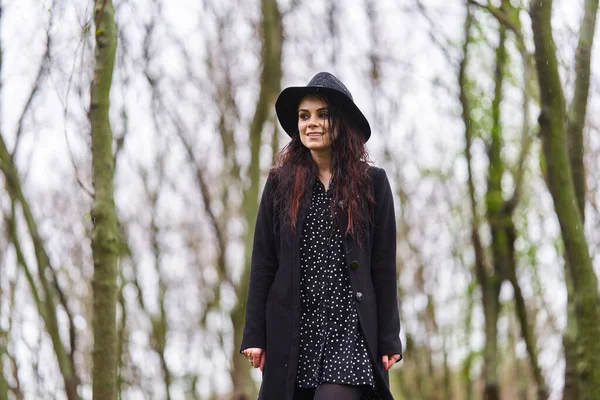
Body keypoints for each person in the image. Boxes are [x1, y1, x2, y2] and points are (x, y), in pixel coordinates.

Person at [240, 72, 402, 400]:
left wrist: (389, 338)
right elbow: (263, 262)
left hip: (350, 329)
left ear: (341, 121)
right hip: (295, 327)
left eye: (322, 114)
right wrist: (254, 333)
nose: (311, 123)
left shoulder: (373, 184)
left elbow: (383, 267)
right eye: (304, 116)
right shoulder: (279, 185)